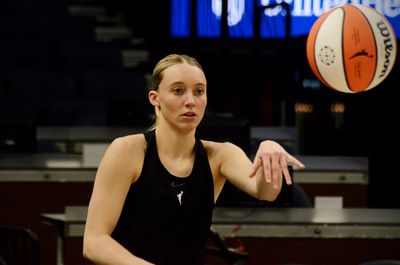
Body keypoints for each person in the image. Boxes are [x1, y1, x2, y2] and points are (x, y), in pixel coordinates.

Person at [83, 54, 305, 265]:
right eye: (178, 91)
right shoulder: (127, 150)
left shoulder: (220, 155)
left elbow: (266, 192)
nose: (190, 101)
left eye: (199, 91)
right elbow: (94, 242)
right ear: (155, 98)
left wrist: (269, 148)